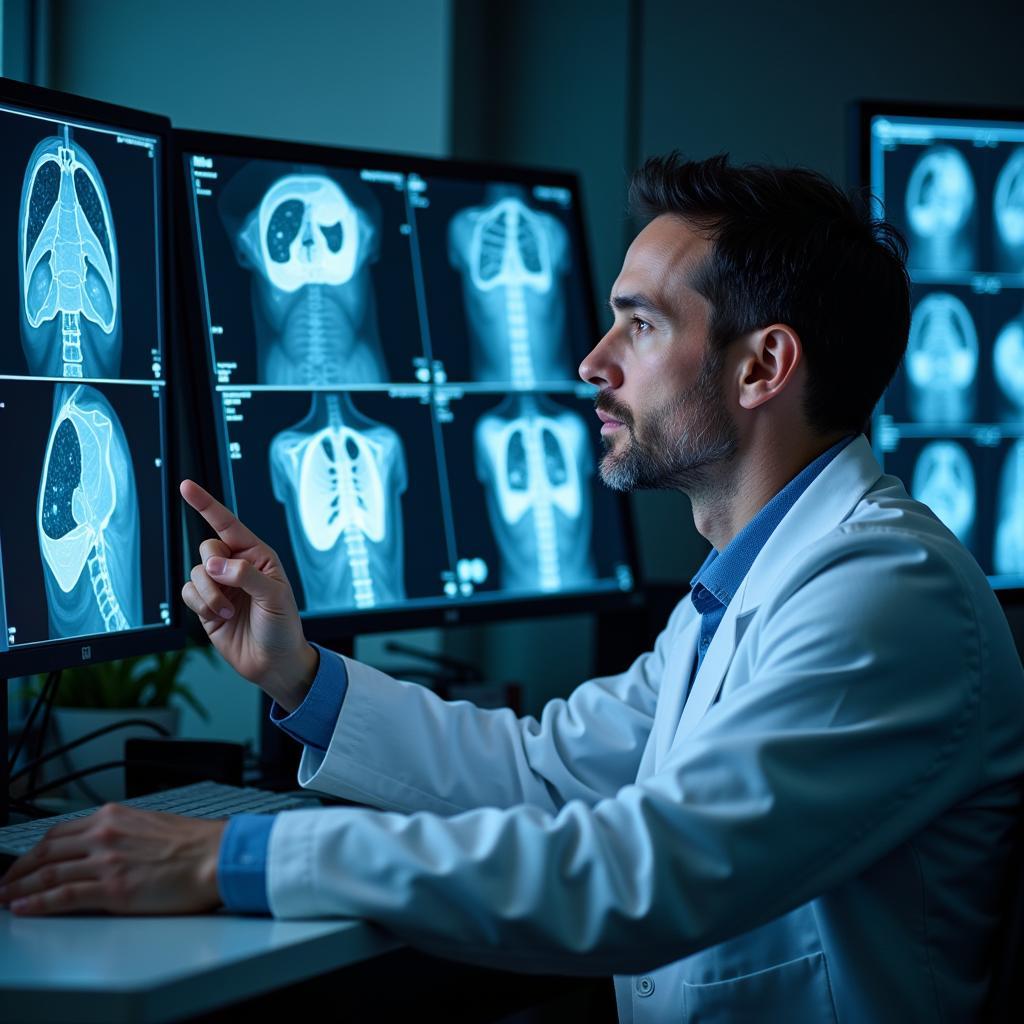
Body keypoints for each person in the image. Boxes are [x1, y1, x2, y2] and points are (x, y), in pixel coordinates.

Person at [2, 153, 1023, 1023]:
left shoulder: (884, 596)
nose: (590, 362)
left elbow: (643, 873)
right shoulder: (762, 582)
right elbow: (546, 772)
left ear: (762, 367)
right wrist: (300, 674)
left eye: (639, 325)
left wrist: (232, 860)